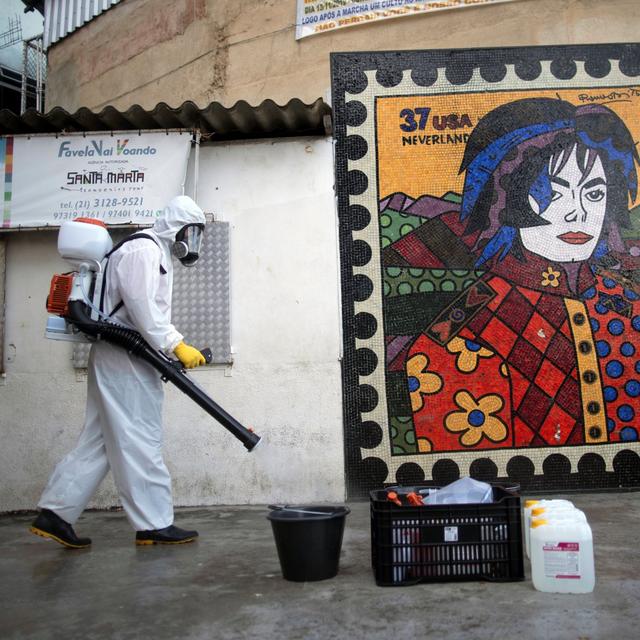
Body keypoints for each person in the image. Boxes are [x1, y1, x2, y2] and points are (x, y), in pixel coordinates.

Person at [391, 98, 640, 452]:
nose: (578, 213)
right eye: (553, 193)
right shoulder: (461, 336)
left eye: (595, 193)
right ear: (508, 200)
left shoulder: (626, 306)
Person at [30, 195, 207, 548]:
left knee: (98, 441)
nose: (192, 241)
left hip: (122, 355)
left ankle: (55, 514)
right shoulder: (144, 251)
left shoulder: (150, 251)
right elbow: (142, 309)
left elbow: (142, 312)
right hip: (123, 357)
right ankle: (154, 525)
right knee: (141, 437)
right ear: (177, 227)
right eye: (192, 231)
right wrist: (176, 344)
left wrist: (168, 348)